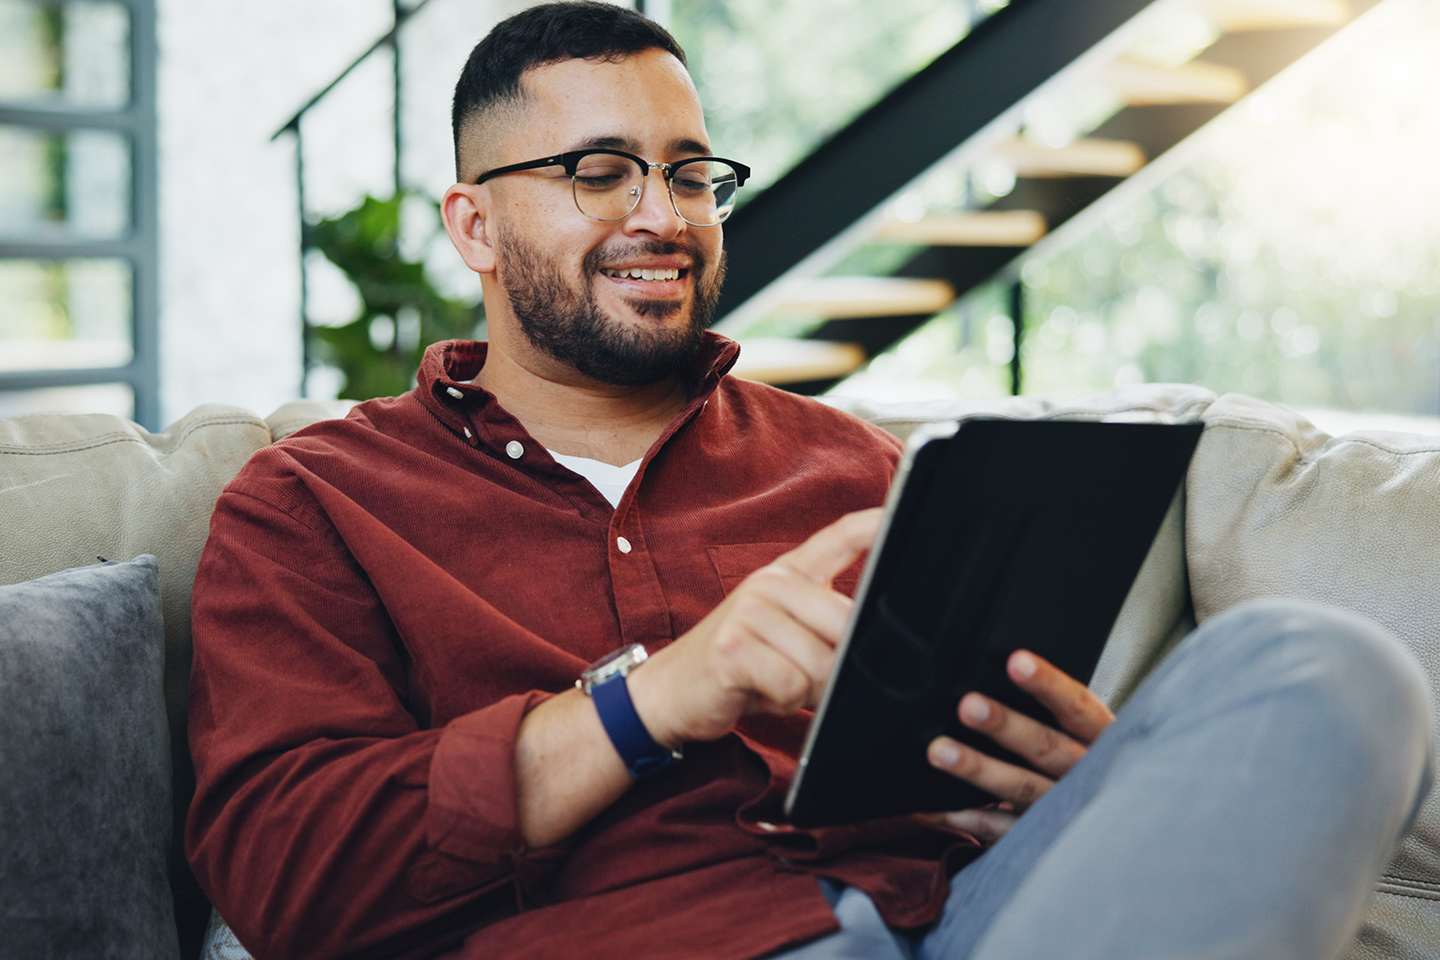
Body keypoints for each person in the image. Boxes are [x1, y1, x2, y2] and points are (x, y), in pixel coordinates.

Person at [186, 4, 1434, 959]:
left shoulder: (859, 466)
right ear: (473, 228)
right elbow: (288, 875)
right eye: (599, 171)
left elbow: (980, 767)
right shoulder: (312, 503)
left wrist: (1070, 788)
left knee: (1327, 664)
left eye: (688, 172)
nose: (662, 214)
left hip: (960, 918)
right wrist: (659, 698)